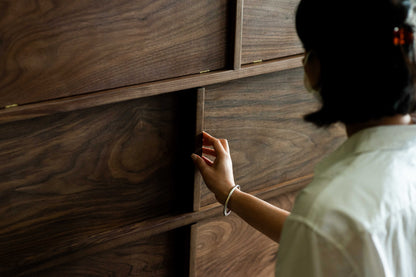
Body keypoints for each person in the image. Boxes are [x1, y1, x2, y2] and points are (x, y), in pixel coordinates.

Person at [191, 0, 416, 276]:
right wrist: (230, 194)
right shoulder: (334, 216)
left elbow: (325, 234)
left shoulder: (329, 212)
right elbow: (329, 238)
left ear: (315, 68)